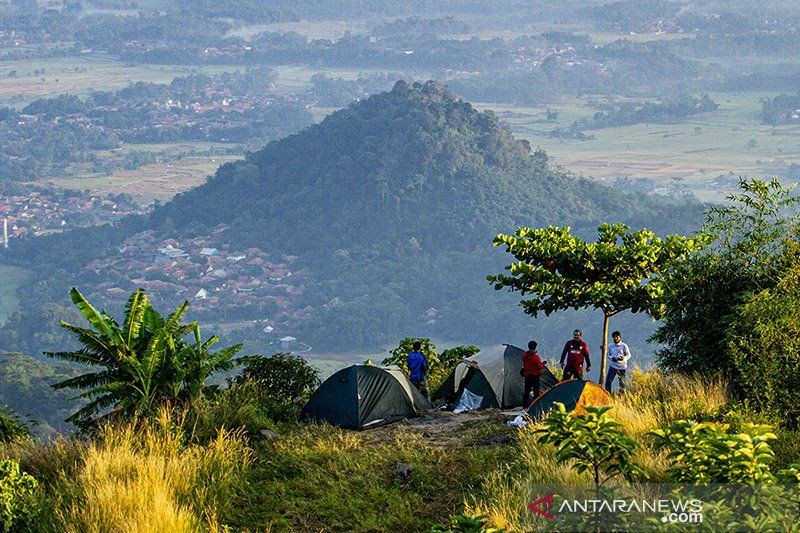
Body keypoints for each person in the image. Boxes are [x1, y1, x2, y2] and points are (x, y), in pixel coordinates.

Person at [522, 340, 546, 406]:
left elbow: (524, 361)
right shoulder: (536, 357)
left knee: (527, 391)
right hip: (535, 376)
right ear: (535, 347)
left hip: (527, 376)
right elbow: (539, 366)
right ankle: (535, 405)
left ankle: (525, 405)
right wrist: (543, 364)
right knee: (536, 391)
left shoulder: (524, 355)